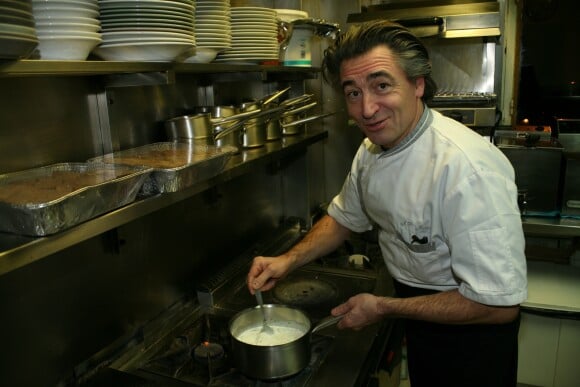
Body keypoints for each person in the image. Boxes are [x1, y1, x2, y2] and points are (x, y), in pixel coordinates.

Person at [247, 20, 527, 387]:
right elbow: (345, 217)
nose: (366, 109)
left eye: (381, 85)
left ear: (418, 85)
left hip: (472, 334)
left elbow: (498, 306)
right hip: (421, 313)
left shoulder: (467, 170)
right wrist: (289, 259)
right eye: (353, 92)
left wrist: (382, 307)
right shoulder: (371, 149)